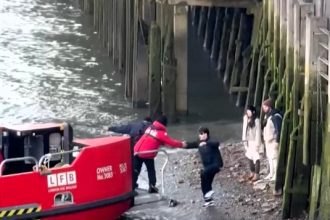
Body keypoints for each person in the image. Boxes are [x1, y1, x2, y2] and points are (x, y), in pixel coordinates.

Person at [133, 115, 186, 193]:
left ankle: (132, 186)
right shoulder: (161, 133)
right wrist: (182, 144)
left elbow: (154, 140)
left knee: (136, 169)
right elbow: (171, 142)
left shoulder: (150, 128)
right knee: (151, 170)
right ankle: (152, 187)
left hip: (136, 151)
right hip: (147, 153)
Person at [185, 127, 223, 207]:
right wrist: (180, 144)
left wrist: (206, 143)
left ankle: (208, 193)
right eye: (200, 133)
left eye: (202, 133)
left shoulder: (211, 141)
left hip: (216, 165)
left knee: (203, 173)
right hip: (207, 166)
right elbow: (190, 145)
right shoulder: (199, 143)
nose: (200, 135)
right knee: (205, 181)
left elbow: (216, 143)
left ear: (206, 134)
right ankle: (209, 201)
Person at [262, 98, 282, 181]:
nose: (264, 109)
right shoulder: (268, 116)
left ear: (269, 107)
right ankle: (271, 173)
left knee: (274, 159)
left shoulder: (275, 117)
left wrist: (277, 141)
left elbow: (278, 130)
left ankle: (275, 175)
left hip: (273, 141)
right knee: (270, 158)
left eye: (265, 107)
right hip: (268, 141)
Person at [242, 105, 262, 182]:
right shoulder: (246, 119)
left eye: (249, 111)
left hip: (254, 141)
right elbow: (244, 130)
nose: (248, 113)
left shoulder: (256, 120)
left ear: (253, 112)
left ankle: (257, 174)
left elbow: (258, 133)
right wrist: (244, 140)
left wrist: (258, 144)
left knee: (256, 157)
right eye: (247, 111)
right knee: (250, 157)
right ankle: (252, 172)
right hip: (249, 141)